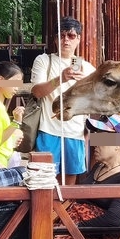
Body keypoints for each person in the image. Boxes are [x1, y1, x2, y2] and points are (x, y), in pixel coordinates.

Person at [29, 17, 95, 184]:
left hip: (76, 132)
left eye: (71, 36)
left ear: (78, 38)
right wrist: (60, 79)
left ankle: (64, 210)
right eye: (62, 35)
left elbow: (97, 98)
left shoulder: (87, 67)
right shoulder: (44, 60)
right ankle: (47, 211)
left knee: (70, 181)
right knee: (44, 180)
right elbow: (36, 92)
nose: (66, 40)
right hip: (48, 129)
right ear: (55, 38)